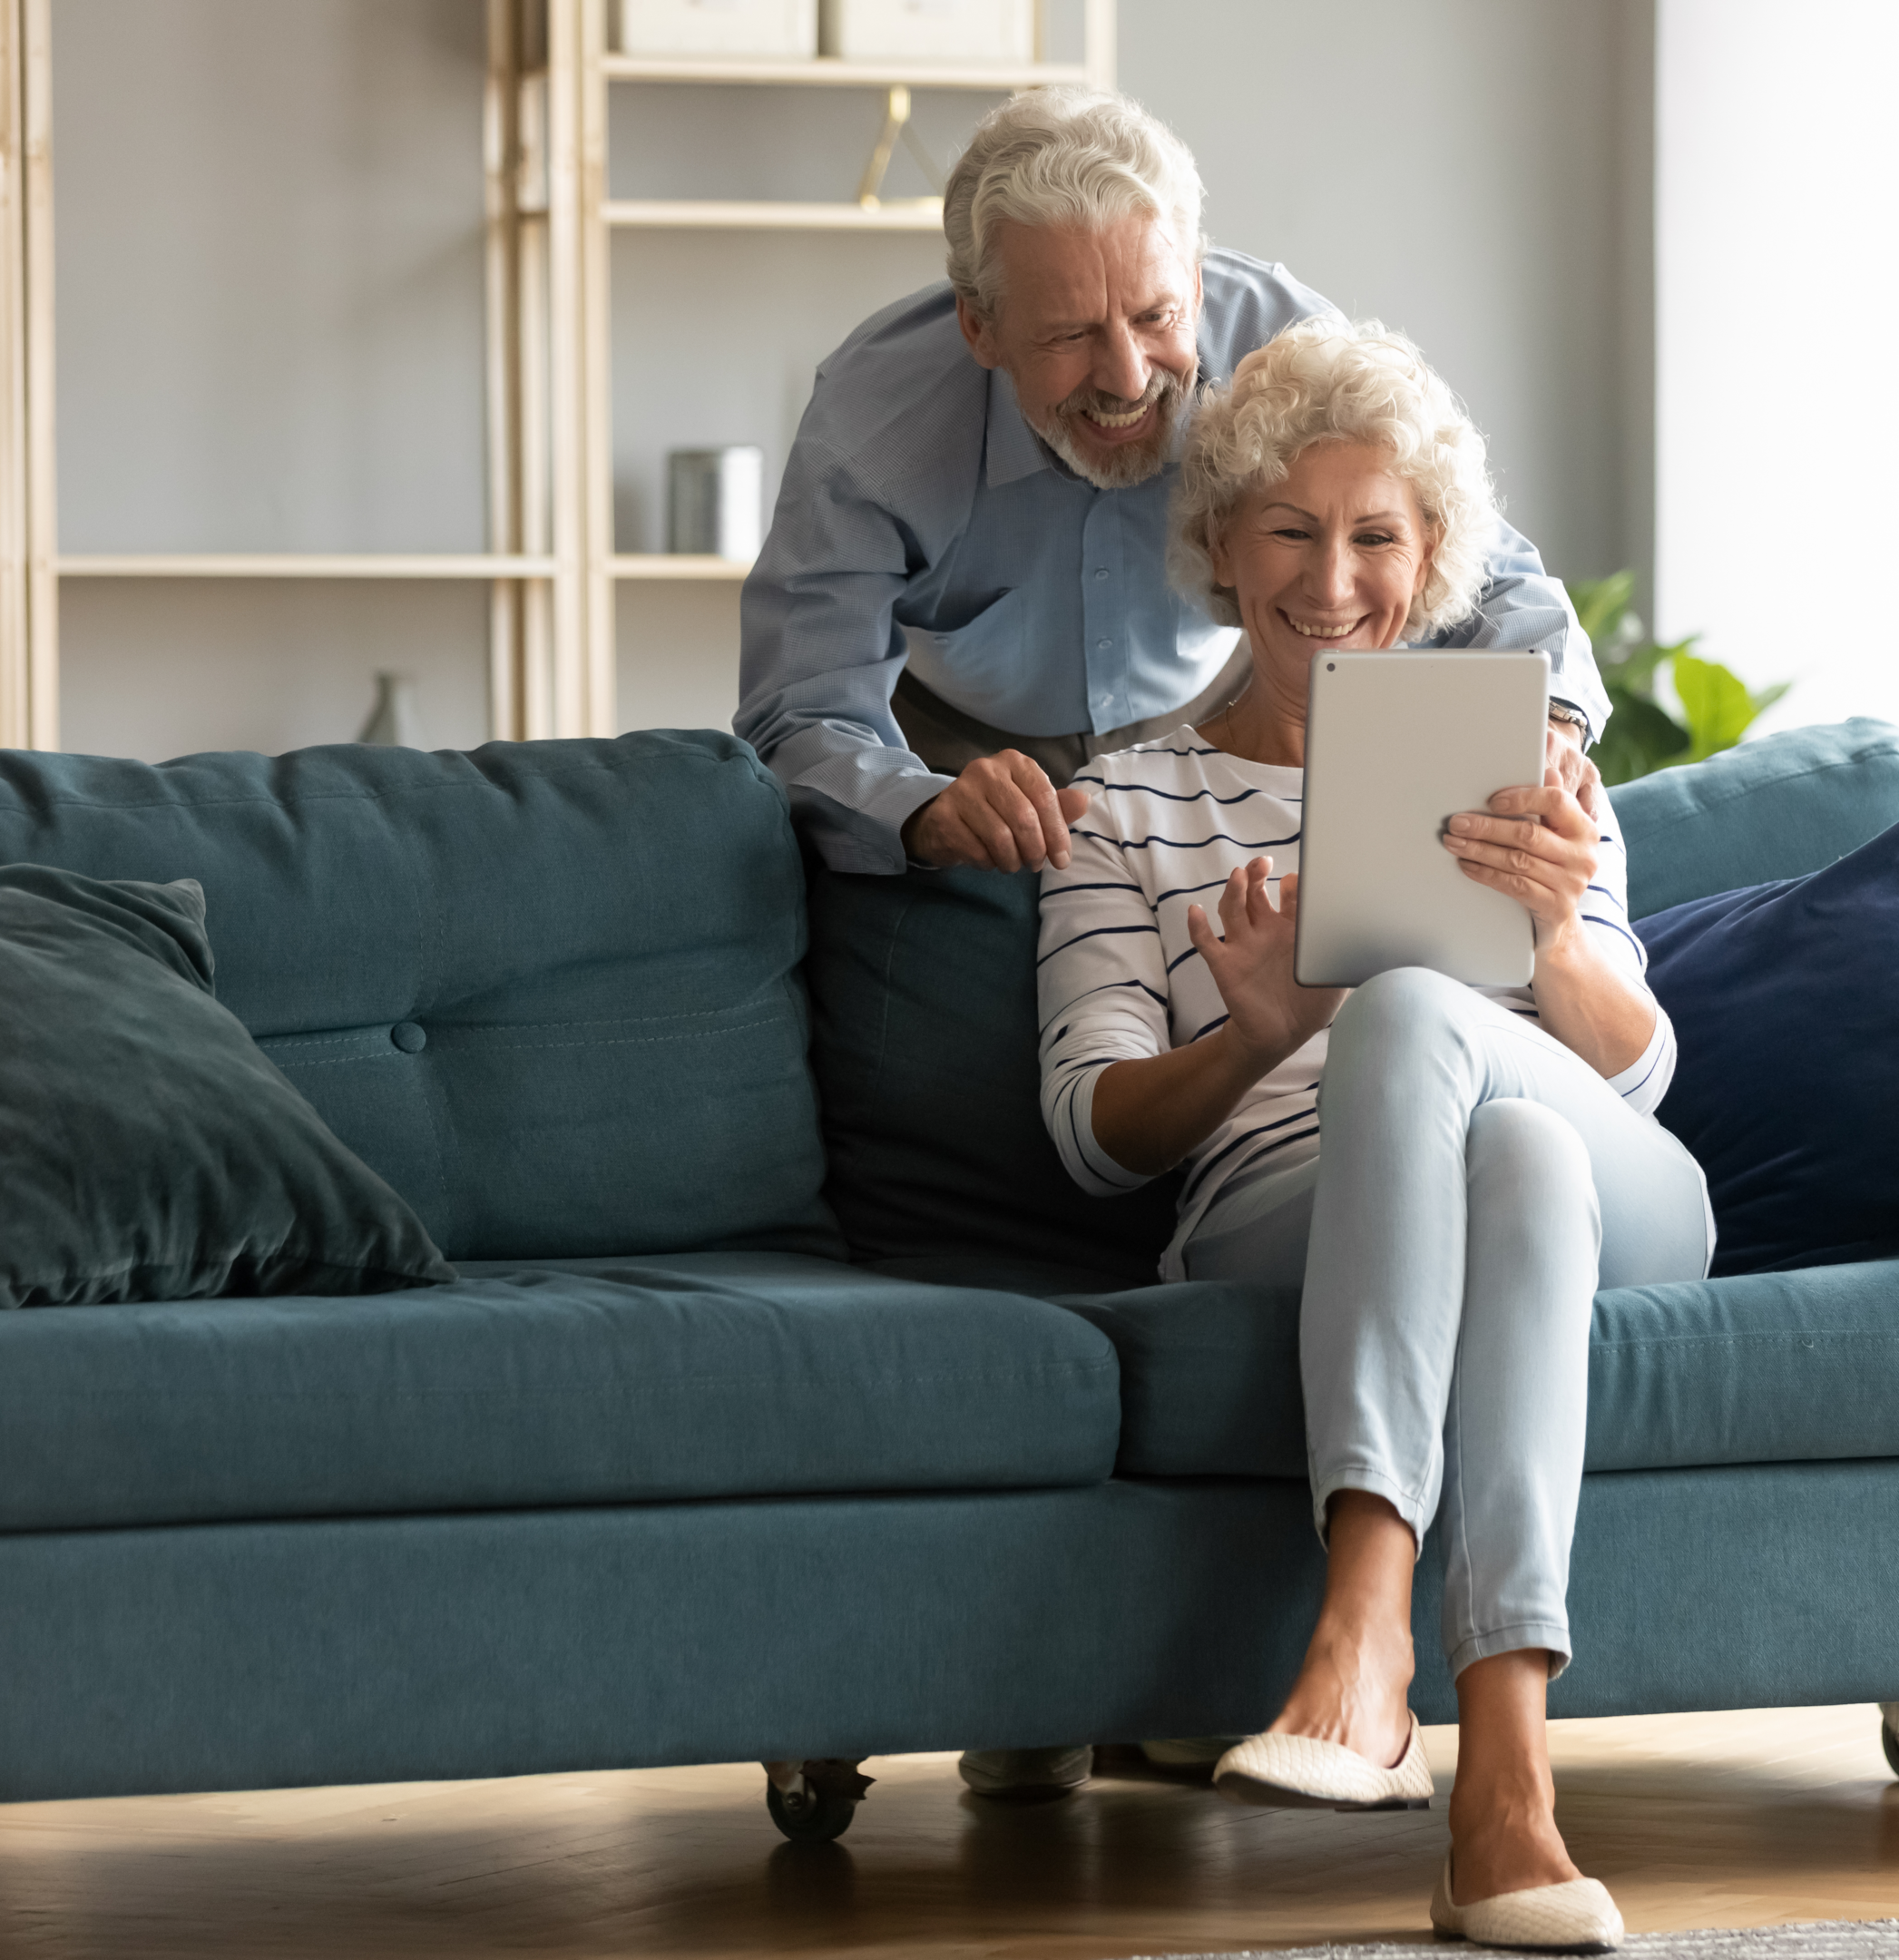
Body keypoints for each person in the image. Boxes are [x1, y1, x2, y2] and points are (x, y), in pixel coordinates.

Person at [1035, 318, 1713, 1954]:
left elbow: (1639, 1070)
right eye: (1288, 529)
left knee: (1446, 1040)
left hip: (1631, 1183)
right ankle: (1508, 1801)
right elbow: (1089, 1130)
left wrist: (1551, 942)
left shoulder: (1534, 770)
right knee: (1510, 1159)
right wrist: (1251, 1042)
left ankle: (1364, 1632)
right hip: (1289, 1198)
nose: (1332, 578)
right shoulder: (1123, 804)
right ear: (1219, 545)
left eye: (1376, 535)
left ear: (1432, 557)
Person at [734, 85, 1606, 881]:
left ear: (1193, 279)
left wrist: (1550, 725)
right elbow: (801, 714)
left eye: (1157, 317)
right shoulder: (871, 427)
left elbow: (1487, 574)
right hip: (957, 749)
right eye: (1069, 335)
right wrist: (919, 810)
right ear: (981, 325)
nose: (1124, 378)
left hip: (1229, 714)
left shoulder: (1286, 346)